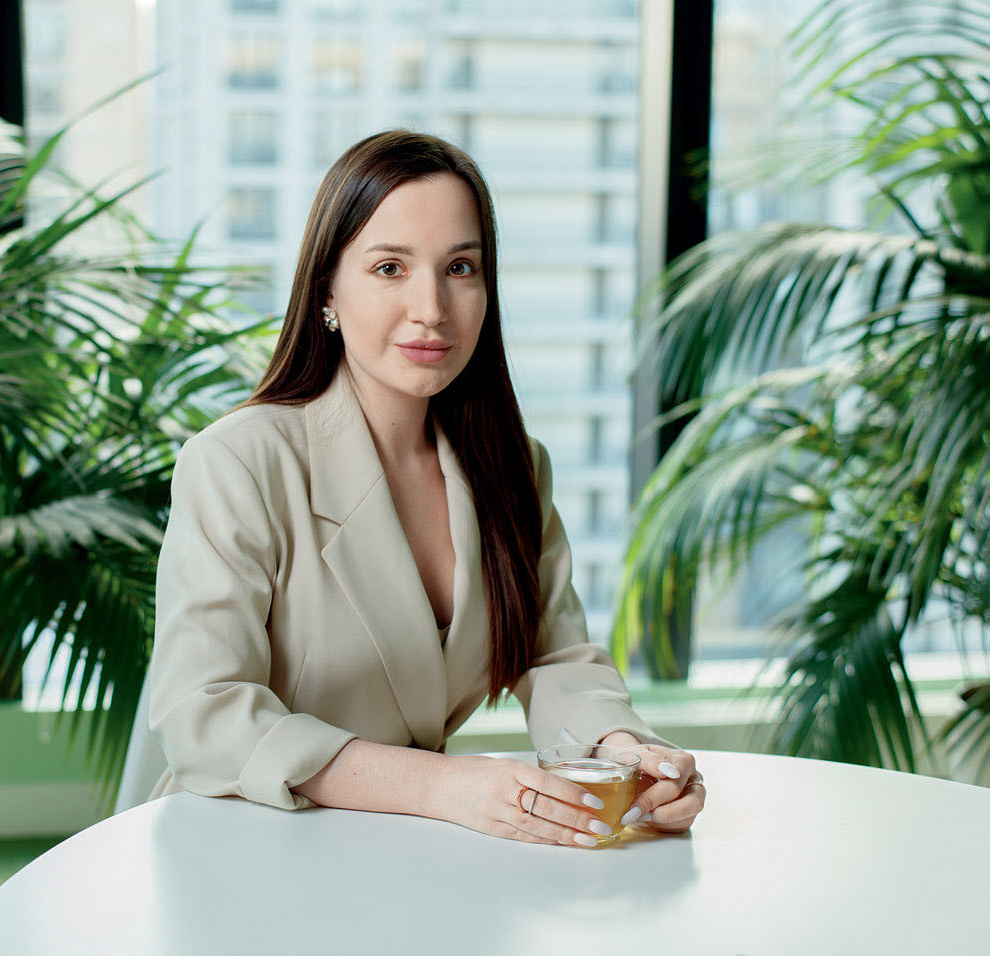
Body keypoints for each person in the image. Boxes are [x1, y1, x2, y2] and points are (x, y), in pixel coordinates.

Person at [142, 130, 705, 847]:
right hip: (245, 844)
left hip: (410, 853)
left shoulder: (512, 466)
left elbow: (554, 659)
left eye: (459, 268)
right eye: (390, 267)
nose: (431, 307)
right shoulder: (238, 462)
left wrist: (626, 755)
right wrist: (439, 784)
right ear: (327, 290)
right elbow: (203, 712)